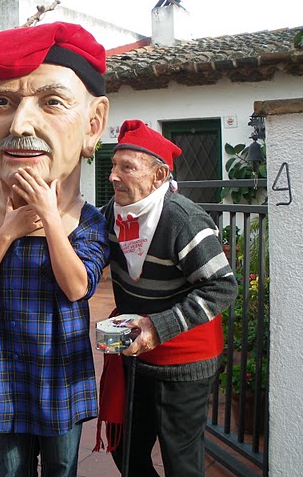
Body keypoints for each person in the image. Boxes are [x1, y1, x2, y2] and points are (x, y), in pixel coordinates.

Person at [0, 22, 110, 477]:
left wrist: (49, 215)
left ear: (93, 124)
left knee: (61, 466)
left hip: (59, 366)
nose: (19, 125)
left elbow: (78, 286)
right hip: (0, 362)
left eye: (51, 102)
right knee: (10, 466)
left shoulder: (91, 220)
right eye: (2, 102)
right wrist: (9, 231)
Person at [99, 120, 238, 476]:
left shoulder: (183, 219)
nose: (113, 176)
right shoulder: (112, 214)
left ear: (159, 176)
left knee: (181, 461)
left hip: (184, 361)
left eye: (126, 167)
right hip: (135, 352)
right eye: (113, 165)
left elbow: (222, 287)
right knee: (126, 450)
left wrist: (157, 327)